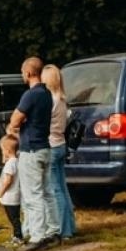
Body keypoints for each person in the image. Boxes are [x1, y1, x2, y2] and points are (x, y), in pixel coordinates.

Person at [4, 56, 57, 251]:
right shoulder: (47, 94)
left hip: (31, 149)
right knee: (47, 192)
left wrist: (12, 127)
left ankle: (37, 236)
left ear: (28, 73)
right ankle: (53, 231)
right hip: (44, 146)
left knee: (32, 195)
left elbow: (16, 118)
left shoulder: (30, 95)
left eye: (22, 72)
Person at [43, 63, 77, 241]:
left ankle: (64, 230)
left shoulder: (51, 101)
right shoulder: (62, 99)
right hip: (61, 144)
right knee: (62, 188)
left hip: (51, 144)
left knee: (55, 190)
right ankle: (70, 225)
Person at [0, 134, 23, 243]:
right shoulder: (16, 161)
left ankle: (18, 237)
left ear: (7, 151)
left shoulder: (10, 165)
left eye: (2, 150)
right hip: (15, 196)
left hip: (9, 197)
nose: (2, 152)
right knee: (15, 218)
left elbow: (8, 180)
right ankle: (16, 236)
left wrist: (1, 192)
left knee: (14, 219)